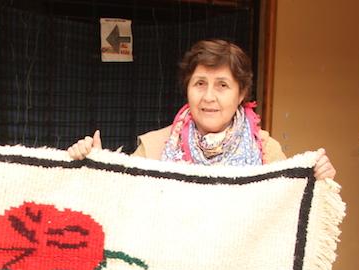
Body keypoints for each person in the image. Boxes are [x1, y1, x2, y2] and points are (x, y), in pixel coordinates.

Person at [68, 39, 336, 181]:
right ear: (187, 88)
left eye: (222, 85)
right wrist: (96, 165)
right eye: (199, 84)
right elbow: (124, 200)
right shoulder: (153, 148)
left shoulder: (266, 151)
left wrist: (316, 180)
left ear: (241, 93)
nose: (209, 97)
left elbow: (290, 208)